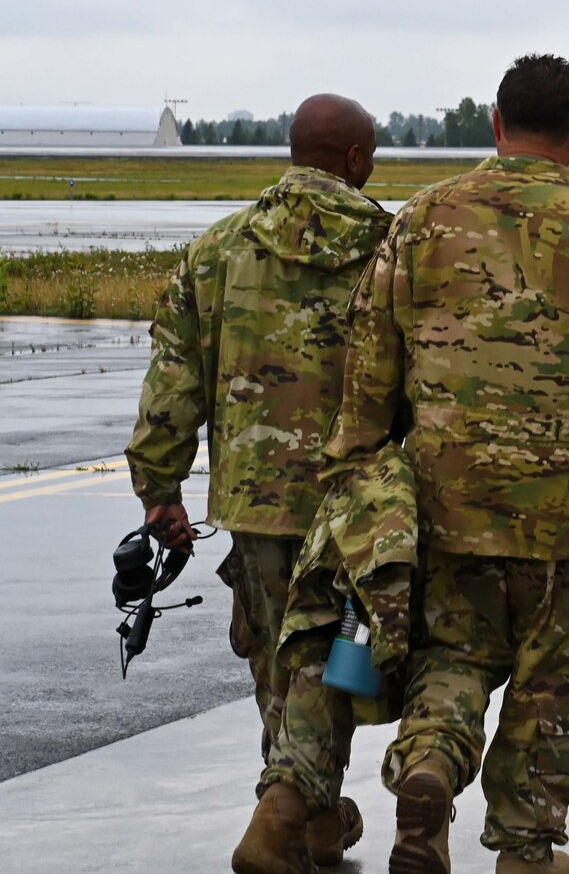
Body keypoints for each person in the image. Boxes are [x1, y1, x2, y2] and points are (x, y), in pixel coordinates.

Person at [327, 55, 569, 874]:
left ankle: (429, 767)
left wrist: (358, 473)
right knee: (550, 678)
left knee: (452, 655)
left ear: (495, 124)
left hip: (444, 500)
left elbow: (369, 358)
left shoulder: (421, 220)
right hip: (566, 511)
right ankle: (527, 848)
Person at [124, 94, 389, 870]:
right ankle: (281, 817)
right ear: (349, 160)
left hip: (256, 500)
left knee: (280, 657)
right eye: (368, 153)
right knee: (343, 654)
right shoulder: (391, 245)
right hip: (362, 501)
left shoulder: (218, 248)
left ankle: (309, 818)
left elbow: (173, 378)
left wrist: (159, 486)